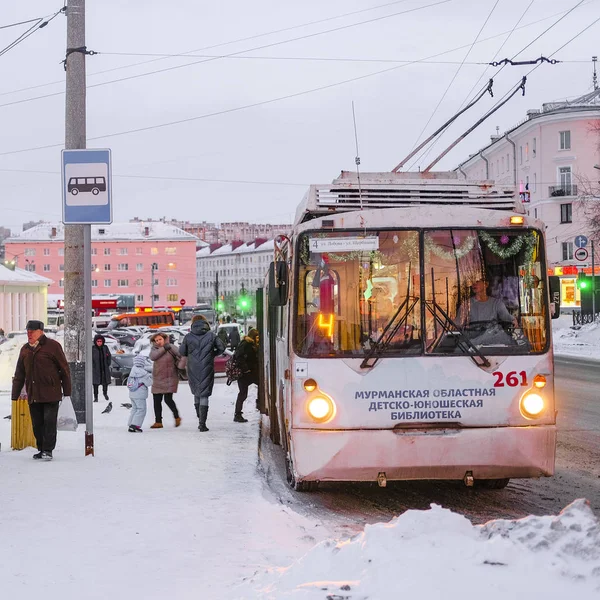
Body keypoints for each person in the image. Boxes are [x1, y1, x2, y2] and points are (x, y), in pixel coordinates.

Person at [11, 320, 72, 460]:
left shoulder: (53, 346)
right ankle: (41, 449)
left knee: (49, 423)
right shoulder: (25, 349)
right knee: (37, 424)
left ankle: (48, 450)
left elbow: (64, 370)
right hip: (33, 393)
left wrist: (67, 392)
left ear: (41, 331)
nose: (29, 334)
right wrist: (15, 394)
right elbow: (20, 373)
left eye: (32, 331)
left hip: (51, 392)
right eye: (28, 331)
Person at [179, 315, 226, 432]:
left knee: (196, 392)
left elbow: (182, 352)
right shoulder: (211, 335)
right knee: (204, 393)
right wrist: (212, 354)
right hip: (207, 366)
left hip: (192, 367)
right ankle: (202, 424)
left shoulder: (188, 337)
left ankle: (199, 416)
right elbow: (222, 347)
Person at [149, 332, 182, 429]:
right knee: (156, 400)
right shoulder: (154, 349)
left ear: (164, 339)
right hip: (157, 378)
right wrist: (164, 348)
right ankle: (158, 422)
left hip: (170, 378)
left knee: (168, 399)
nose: (158, 342)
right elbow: (153, 357)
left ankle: (177, 417)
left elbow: (181, 355)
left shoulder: (171, 347)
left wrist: (181, 364)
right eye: (156, 340)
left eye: (160, 339)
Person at [232, 328, 259, 423]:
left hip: (249, 373)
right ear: (253, 337)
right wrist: (246, 369)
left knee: (243, 393)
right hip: (245, 374)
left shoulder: (248, 344)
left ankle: (238, 414)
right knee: (243, 394)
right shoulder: (247, 344)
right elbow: (239, 358)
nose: (258, 339)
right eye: (257, 337)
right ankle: (237, 414)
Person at [127, 355, 153, 432]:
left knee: (134, 409)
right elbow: (149, 383)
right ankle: (134, 425)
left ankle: (131, 423)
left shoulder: (133, 371)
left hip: (132, 394)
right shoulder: (143, 373)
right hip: (140, 395)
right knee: (141, 410)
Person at [92, 333, 112, 402]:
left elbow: (109, 356)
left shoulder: (105, 348)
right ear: (95, 342)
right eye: (98, 341)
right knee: (95, 384)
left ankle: (105, 393)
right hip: (96, 370)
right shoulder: (93, 349)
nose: (99, 343)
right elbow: (91, 359)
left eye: (101, 341)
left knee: (105, 383)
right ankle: (96, 397)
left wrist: (107, 364)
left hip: (104, 369)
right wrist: (93, 366)